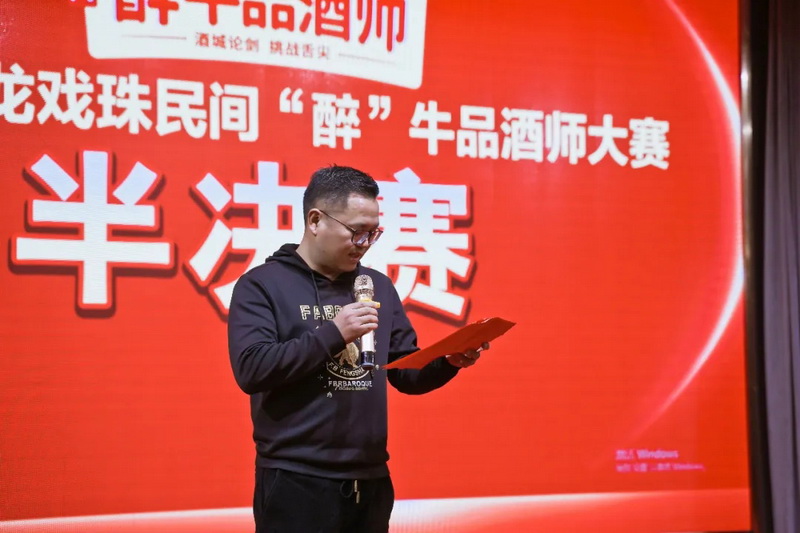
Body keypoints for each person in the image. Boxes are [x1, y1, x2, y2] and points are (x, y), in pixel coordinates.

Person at [227, 165, 486, 533]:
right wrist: (334, 333)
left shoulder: (376, 286)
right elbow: (253, 369)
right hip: (296, 480)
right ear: (315, 220)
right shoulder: (262, 285)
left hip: (370, 479)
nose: (364, 243)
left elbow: (404, 372)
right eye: (356, 232)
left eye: (373, 233)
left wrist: (447, 361)